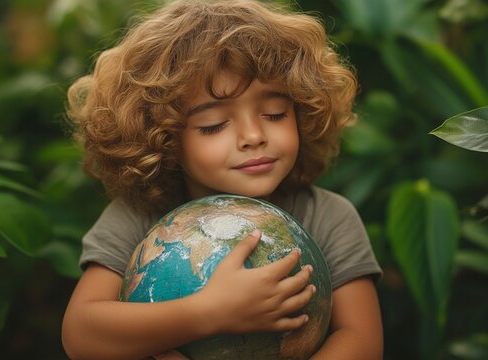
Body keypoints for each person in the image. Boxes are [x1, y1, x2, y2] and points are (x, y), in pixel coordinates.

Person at [61, 0, 383, 359]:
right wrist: (209, 313)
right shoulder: (137, 216)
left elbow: (361, 339)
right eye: (213, 124)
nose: (253, 135)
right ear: (166, 140)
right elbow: (82, 334)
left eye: (275, 114)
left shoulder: (329, 217)